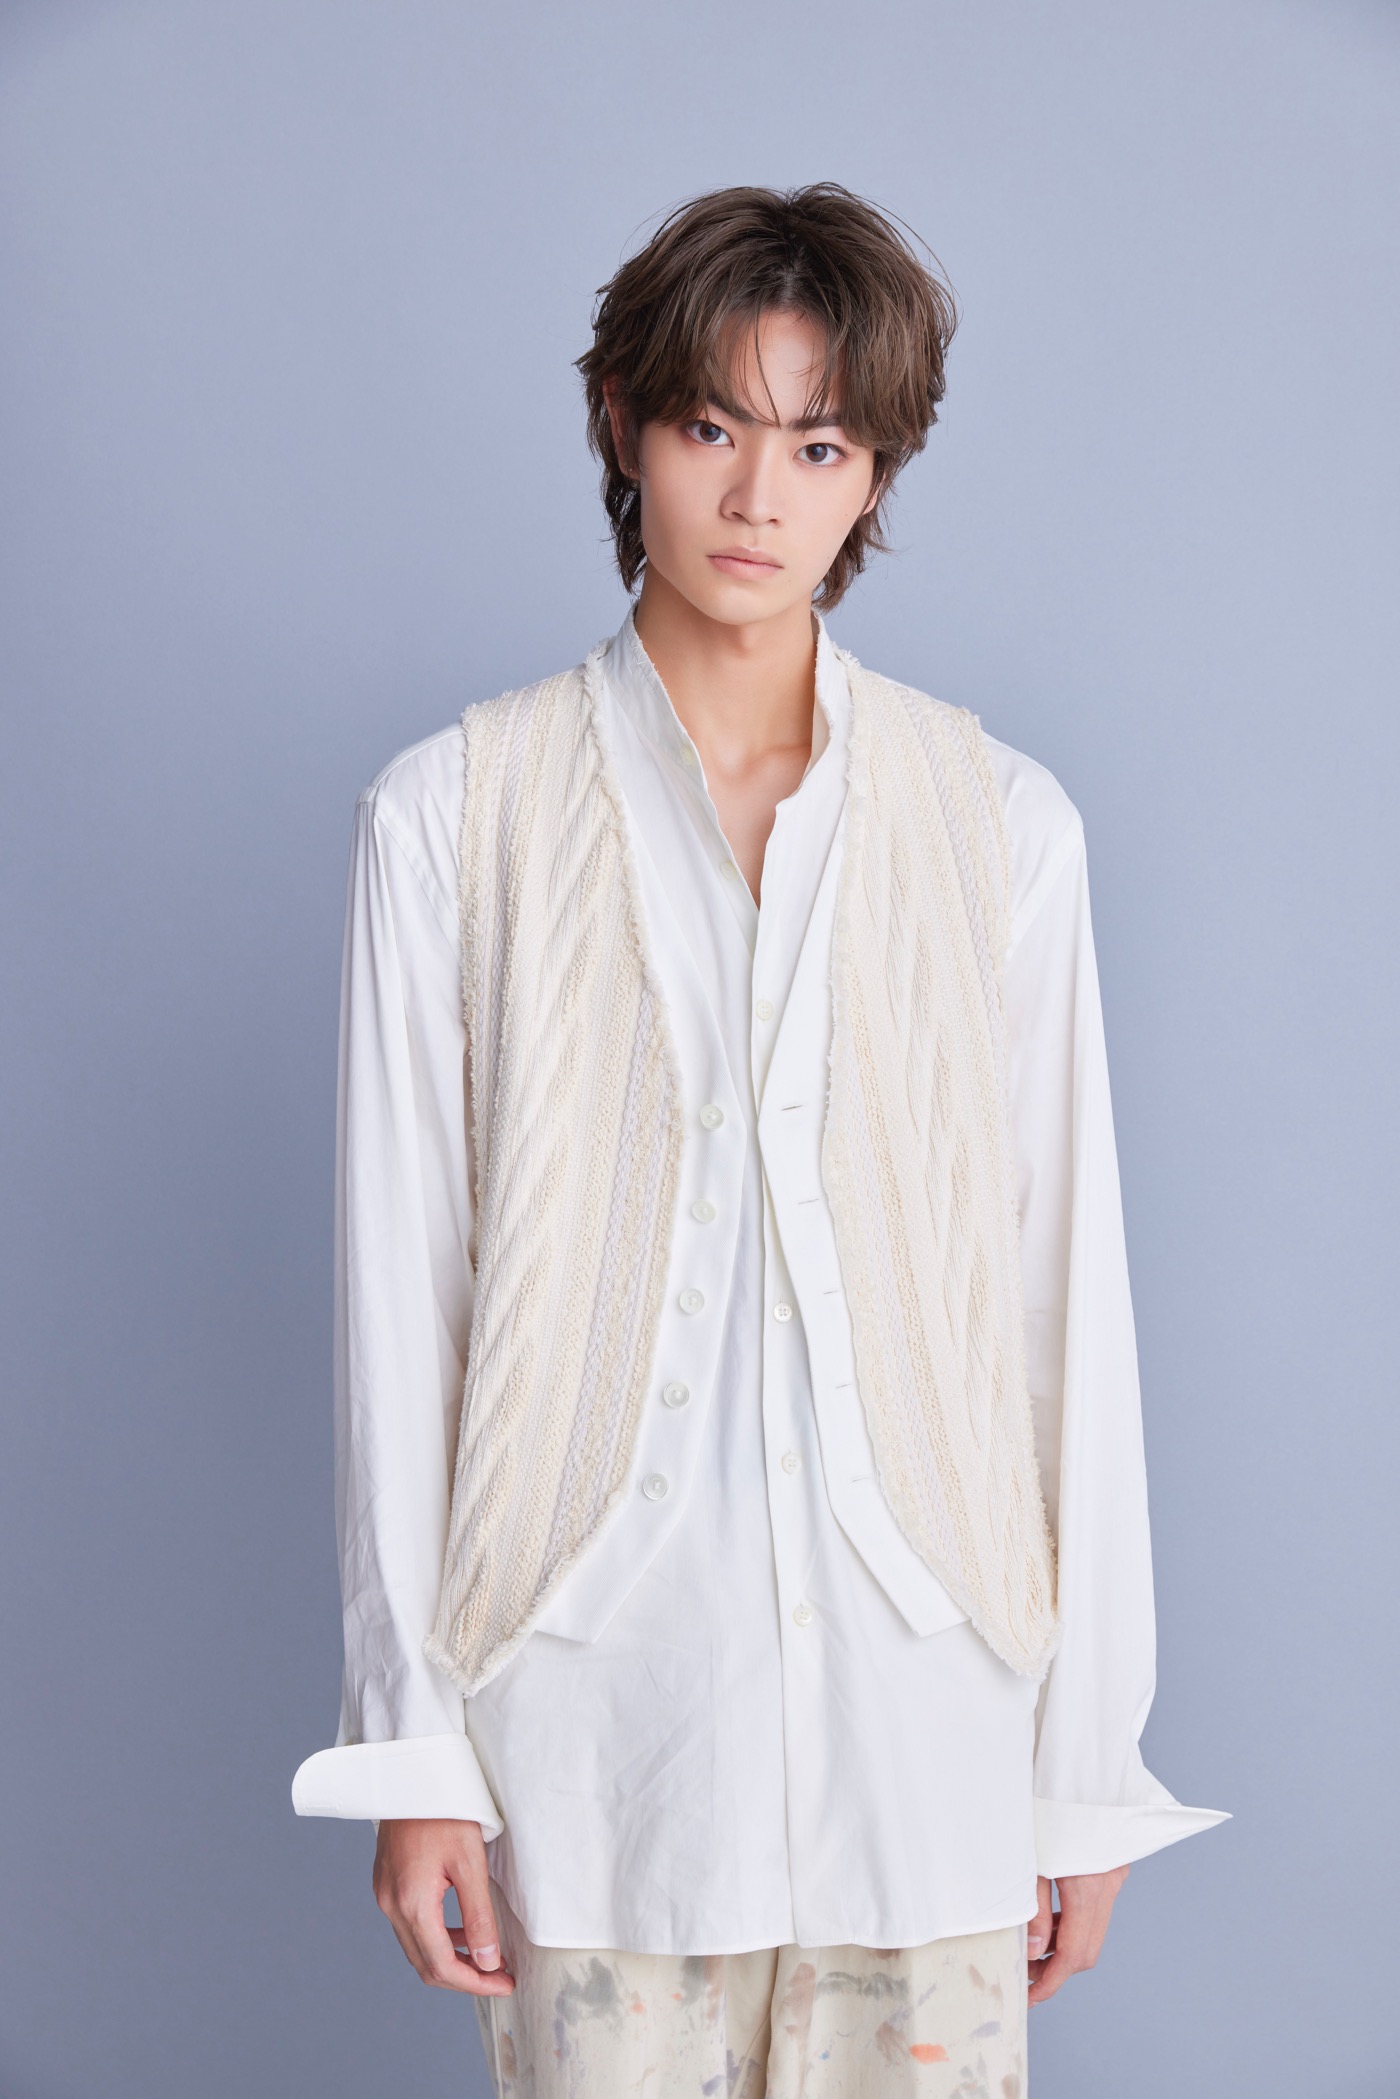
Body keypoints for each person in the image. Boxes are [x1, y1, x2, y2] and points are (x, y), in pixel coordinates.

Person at [292, 182, 1226, 2097]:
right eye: (712, 425)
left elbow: (1062, 1308)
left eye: (820, 445)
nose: (756, 496)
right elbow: (406, 1302)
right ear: (622, 424)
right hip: (595, 1744)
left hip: (928, 1742)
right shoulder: (451, 818)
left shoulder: (1002, 826)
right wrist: (414, 1753)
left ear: (875, 475)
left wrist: (1083, 1771)